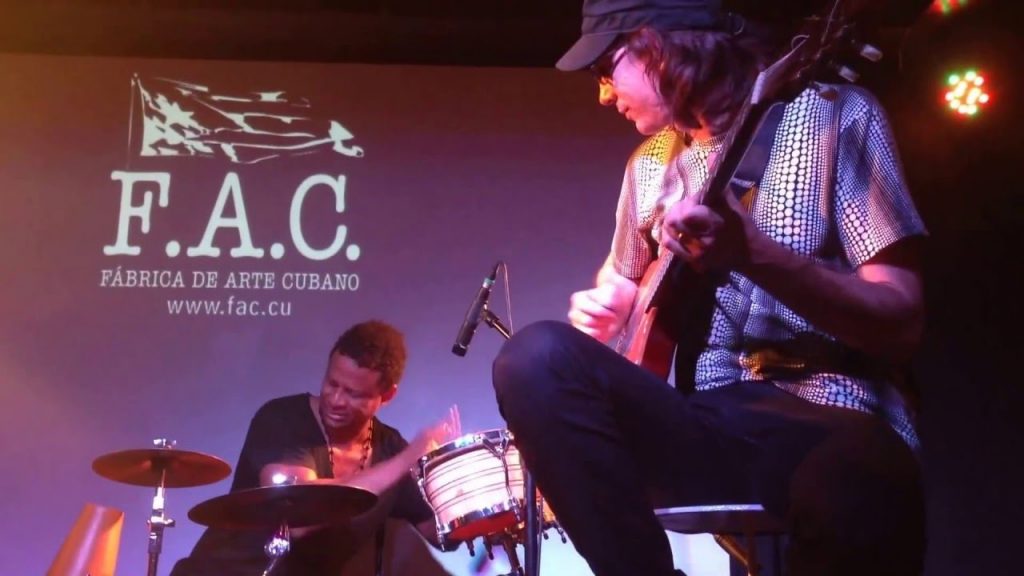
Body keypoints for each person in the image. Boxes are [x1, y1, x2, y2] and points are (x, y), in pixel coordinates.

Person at [492, 1, 927, 575]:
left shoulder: (836, 118)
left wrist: (755, 255)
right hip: (710, 424)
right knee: (533, 358)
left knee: (858, 477)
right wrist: (614, 302)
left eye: (606, 69)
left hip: (832, 416)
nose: (602, 94)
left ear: (659, 45)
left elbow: (901, 318)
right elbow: (620, 273)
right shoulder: (650, 164)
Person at [171, 320, 458, 576]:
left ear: (388, 395)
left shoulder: (390, 449)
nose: (335, 399)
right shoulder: (282, 419)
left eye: (353, 394)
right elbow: (297, 518)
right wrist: (410, 456)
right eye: (332, 383)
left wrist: (463, 484)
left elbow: (441, 535)